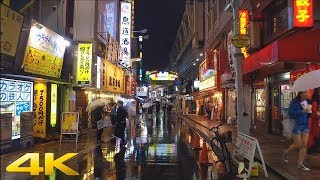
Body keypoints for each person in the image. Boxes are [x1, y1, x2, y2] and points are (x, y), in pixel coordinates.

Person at [283, 91, 312, 171]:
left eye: (308, 92)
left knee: (304, 145)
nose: (308, 94)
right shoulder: (294, 102)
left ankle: (300, 164)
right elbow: (291, 113)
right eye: (306, 92)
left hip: (305, 124)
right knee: (298, 144)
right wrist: (302, 111)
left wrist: (310, 108)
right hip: (297, 125)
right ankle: (286, 152)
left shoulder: (308, 101)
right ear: (301, 93)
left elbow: (309, 113)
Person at [308, 88, 320, 154]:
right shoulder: (315, 102)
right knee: (317, 137)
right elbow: (315, 114)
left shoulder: (315, 102)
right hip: (316, 123)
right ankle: (311, 149)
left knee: (317, 137)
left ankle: (312, 149)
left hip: (316, 124)